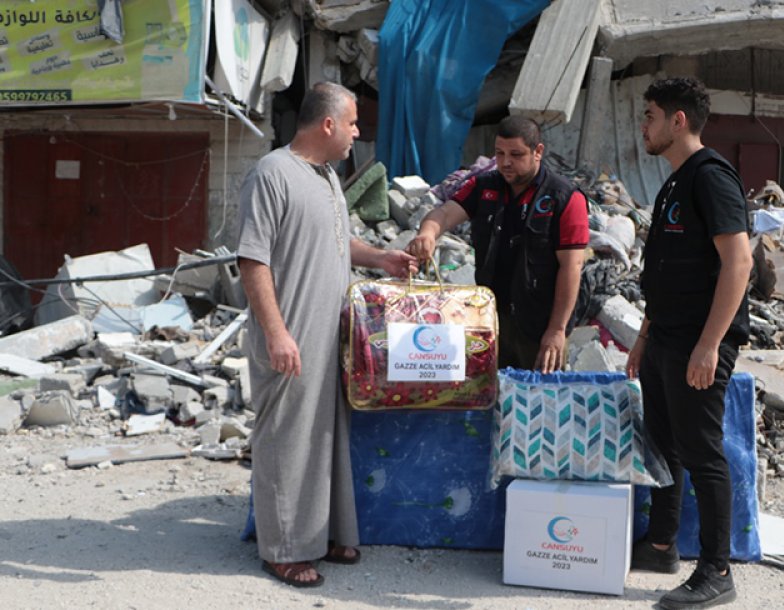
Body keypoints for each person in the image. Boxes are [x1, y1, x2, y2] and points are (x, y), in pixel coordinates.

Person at [237, 82, 416, 588]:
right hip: (290, 336)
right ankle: (284, 549)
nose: (359, 132)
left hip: (329, 334)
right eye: (355, 122)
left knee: (324, 437)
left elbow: (336, 240)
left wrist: (380, 257)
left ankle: (326, 533)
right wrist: (276, 333)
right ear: (330, 124)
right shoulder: (272, 174)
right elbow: (253, 260)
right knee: (286, 439)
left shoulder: (327, 179)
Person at [626, 77, 752, 609]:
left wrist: (709, 345)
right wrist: (643, 338)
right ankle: (660, 544)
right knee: (664, 446)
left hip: (699, 345)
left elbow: (738, 263)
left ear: (679, 121)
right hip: (666, 340)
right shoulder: (674, 182)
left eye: (650, 114)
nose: (643, 124)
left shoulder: (710, 177)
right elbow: (667, 271)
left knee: (701, 453)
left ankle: (717, 571)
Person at [406, 116, 588, 373]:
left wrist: (557, 330)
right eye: (499, 153)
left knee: (540, 401)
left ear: (538, 152)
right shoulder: (484, 187)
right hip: (490, 320)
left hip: (539, 326)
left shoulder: (564, 197)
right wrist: (427, 233)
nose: (505, 162)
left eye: (515, 154)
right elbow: (444, 214)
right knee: (491, 397)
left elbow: (571, 266)